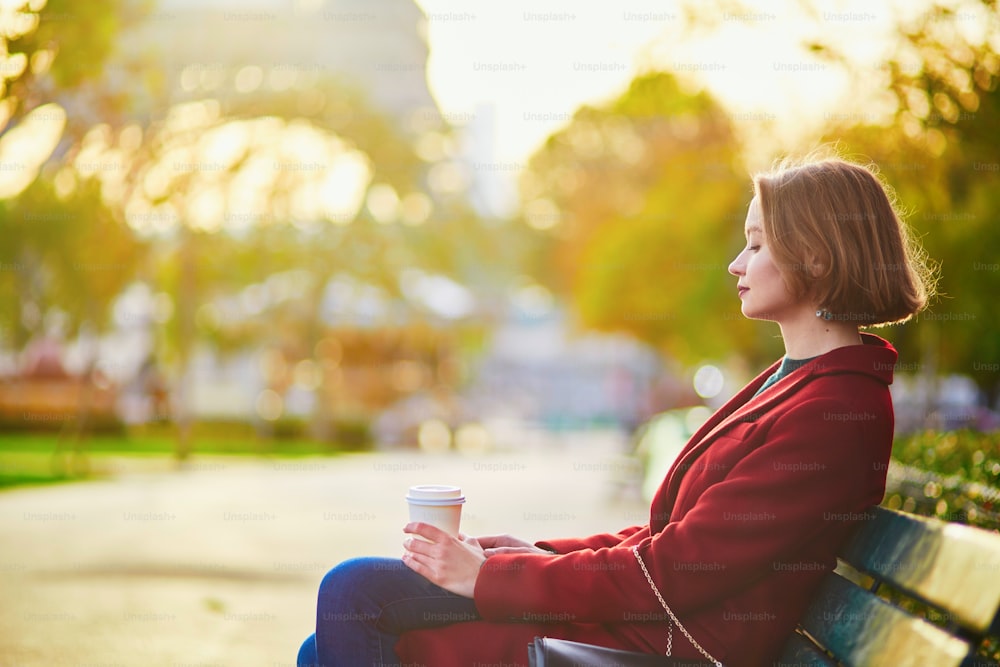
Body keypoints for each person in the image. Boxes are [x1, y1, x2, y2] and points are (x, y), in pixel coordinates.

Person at [295, 154, 935, 667]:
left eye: (757, 246)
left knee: (354, 592)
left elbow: (674, 571)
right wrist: (531, 553)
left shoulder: (833, 411)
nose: (736, 264)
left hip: (659, 648)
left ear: (817, 257)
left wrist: (494, 579)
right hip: (645, 628)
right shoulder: (802, 383)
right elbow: (669, 543)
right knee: (327, 641)